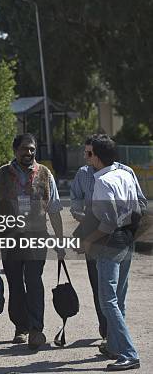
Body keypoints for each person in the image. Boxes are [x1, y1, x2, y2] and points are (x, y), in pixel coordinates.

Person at [0, 133, 64, 350]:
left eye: (32, 149)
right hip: (10, 239)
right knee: (15, 284)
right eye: (24, 149)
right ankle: (21, 327)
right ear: (15, 150)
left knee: (33, 281)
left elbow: (55, 209)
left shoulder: (45, 174)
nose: (29, 153)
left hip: (37, 238)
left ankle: (36, 329)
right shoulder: (2, 174)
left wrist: (59, 242)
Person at [70, 134, 147, 345]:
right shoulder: (83, 174)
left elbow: (139, 204)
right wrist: (83, 216)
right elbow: (75, 200)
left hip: (110, 239)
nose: (85, 157)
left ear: (99, 155)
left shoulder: (122, 173)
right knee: (102, 290)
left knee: (111, 298)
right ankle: (110, 337)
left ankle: (124, 349)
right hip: (101, 238)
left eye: (88, 153)